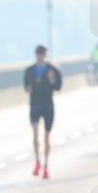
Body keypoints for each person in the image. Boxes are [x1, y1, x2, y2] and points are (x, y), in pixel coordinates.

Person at [24, 45, 63, 179]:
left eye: (42, 53)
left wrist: (52, 80)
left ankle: (46, 165)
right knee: (35, 134)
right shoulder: (29, 70)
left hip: (48, 106)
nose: (40, 56)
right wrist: (29, 88)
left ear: (46, 55)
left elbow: (58, 87)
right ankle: (37, 162)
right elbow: (26, 87)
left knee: (46, 137)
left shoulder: (53, 69)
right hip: (35, 105)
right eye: (38, 53)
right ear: (35, 55)